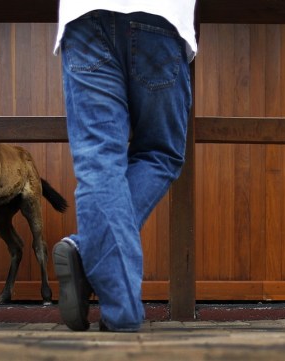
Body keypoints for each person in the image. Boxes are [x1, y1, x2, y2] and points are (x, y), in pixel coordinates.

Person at [52, 1, 197, 332]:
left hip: (84, 14)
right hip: (159, 15)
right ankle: (112, 295)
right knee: (161, 152)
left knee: (98, 157)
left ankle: (92, 256)